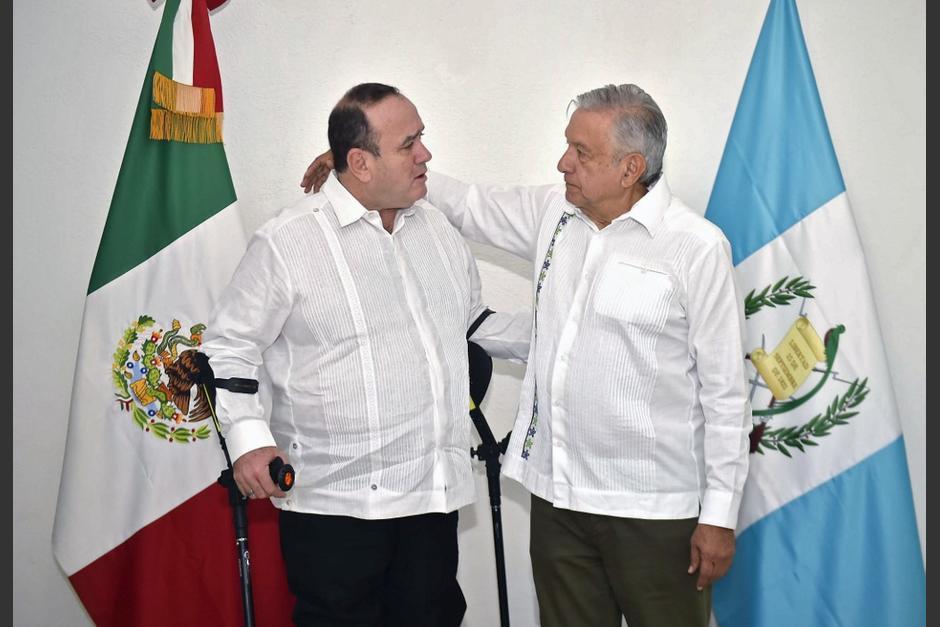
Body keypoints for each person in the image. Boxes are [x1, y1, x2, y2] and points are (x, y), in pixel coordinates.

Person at [302, 83, 751, 627]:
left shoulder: (696, 248)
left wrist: (720, 517)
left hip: (652, 511)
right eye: (568, 146)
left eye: (581, 153)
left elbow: (726, 395)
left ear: (631, 168)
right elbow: (467, 204)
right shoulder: (554, 215)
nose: (563, 164)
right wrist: (361, 166)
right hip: (557, 500)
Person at [203, 82, 529, 627]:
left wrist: (565, 335)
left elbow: (467, 323)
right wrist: (249, 445)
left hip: (430, 499)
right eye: (409, 144)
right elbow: (229, 348)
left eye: (421, 138)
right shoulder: (288, 242)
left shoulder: (438, 231)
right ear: (360, 163)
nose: (425, 154)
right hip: (335, 509)